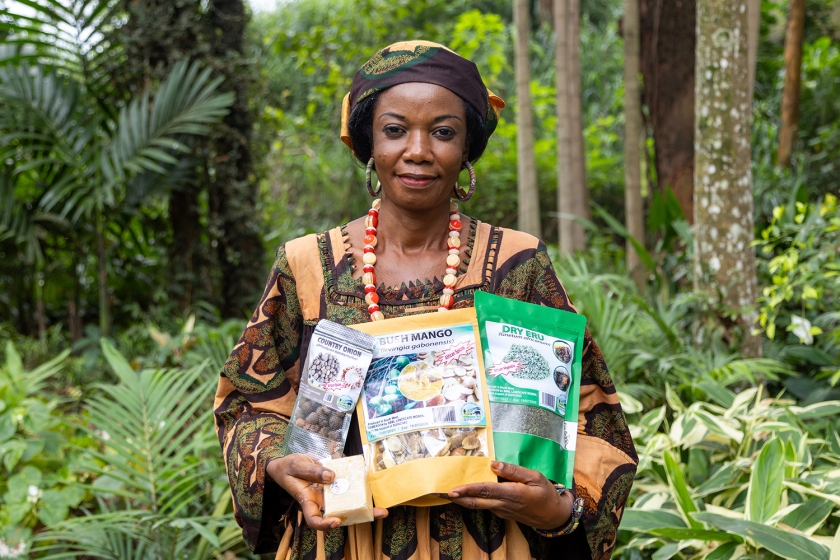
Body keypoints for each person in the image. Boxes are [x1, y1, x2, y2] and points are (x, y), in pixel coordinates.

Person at [214, 41, 637, 560]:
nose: (418, 150)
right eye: (395, 130)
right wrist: (276, 462)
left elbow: (591, 414)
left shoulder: (517, 264)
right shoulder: (307, 265)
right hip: (343, 540)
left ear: (465, 149)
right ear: (370, 141)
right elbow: (246, 404)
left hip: (492, 544)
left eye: (442, 132)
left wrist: (558, 509)